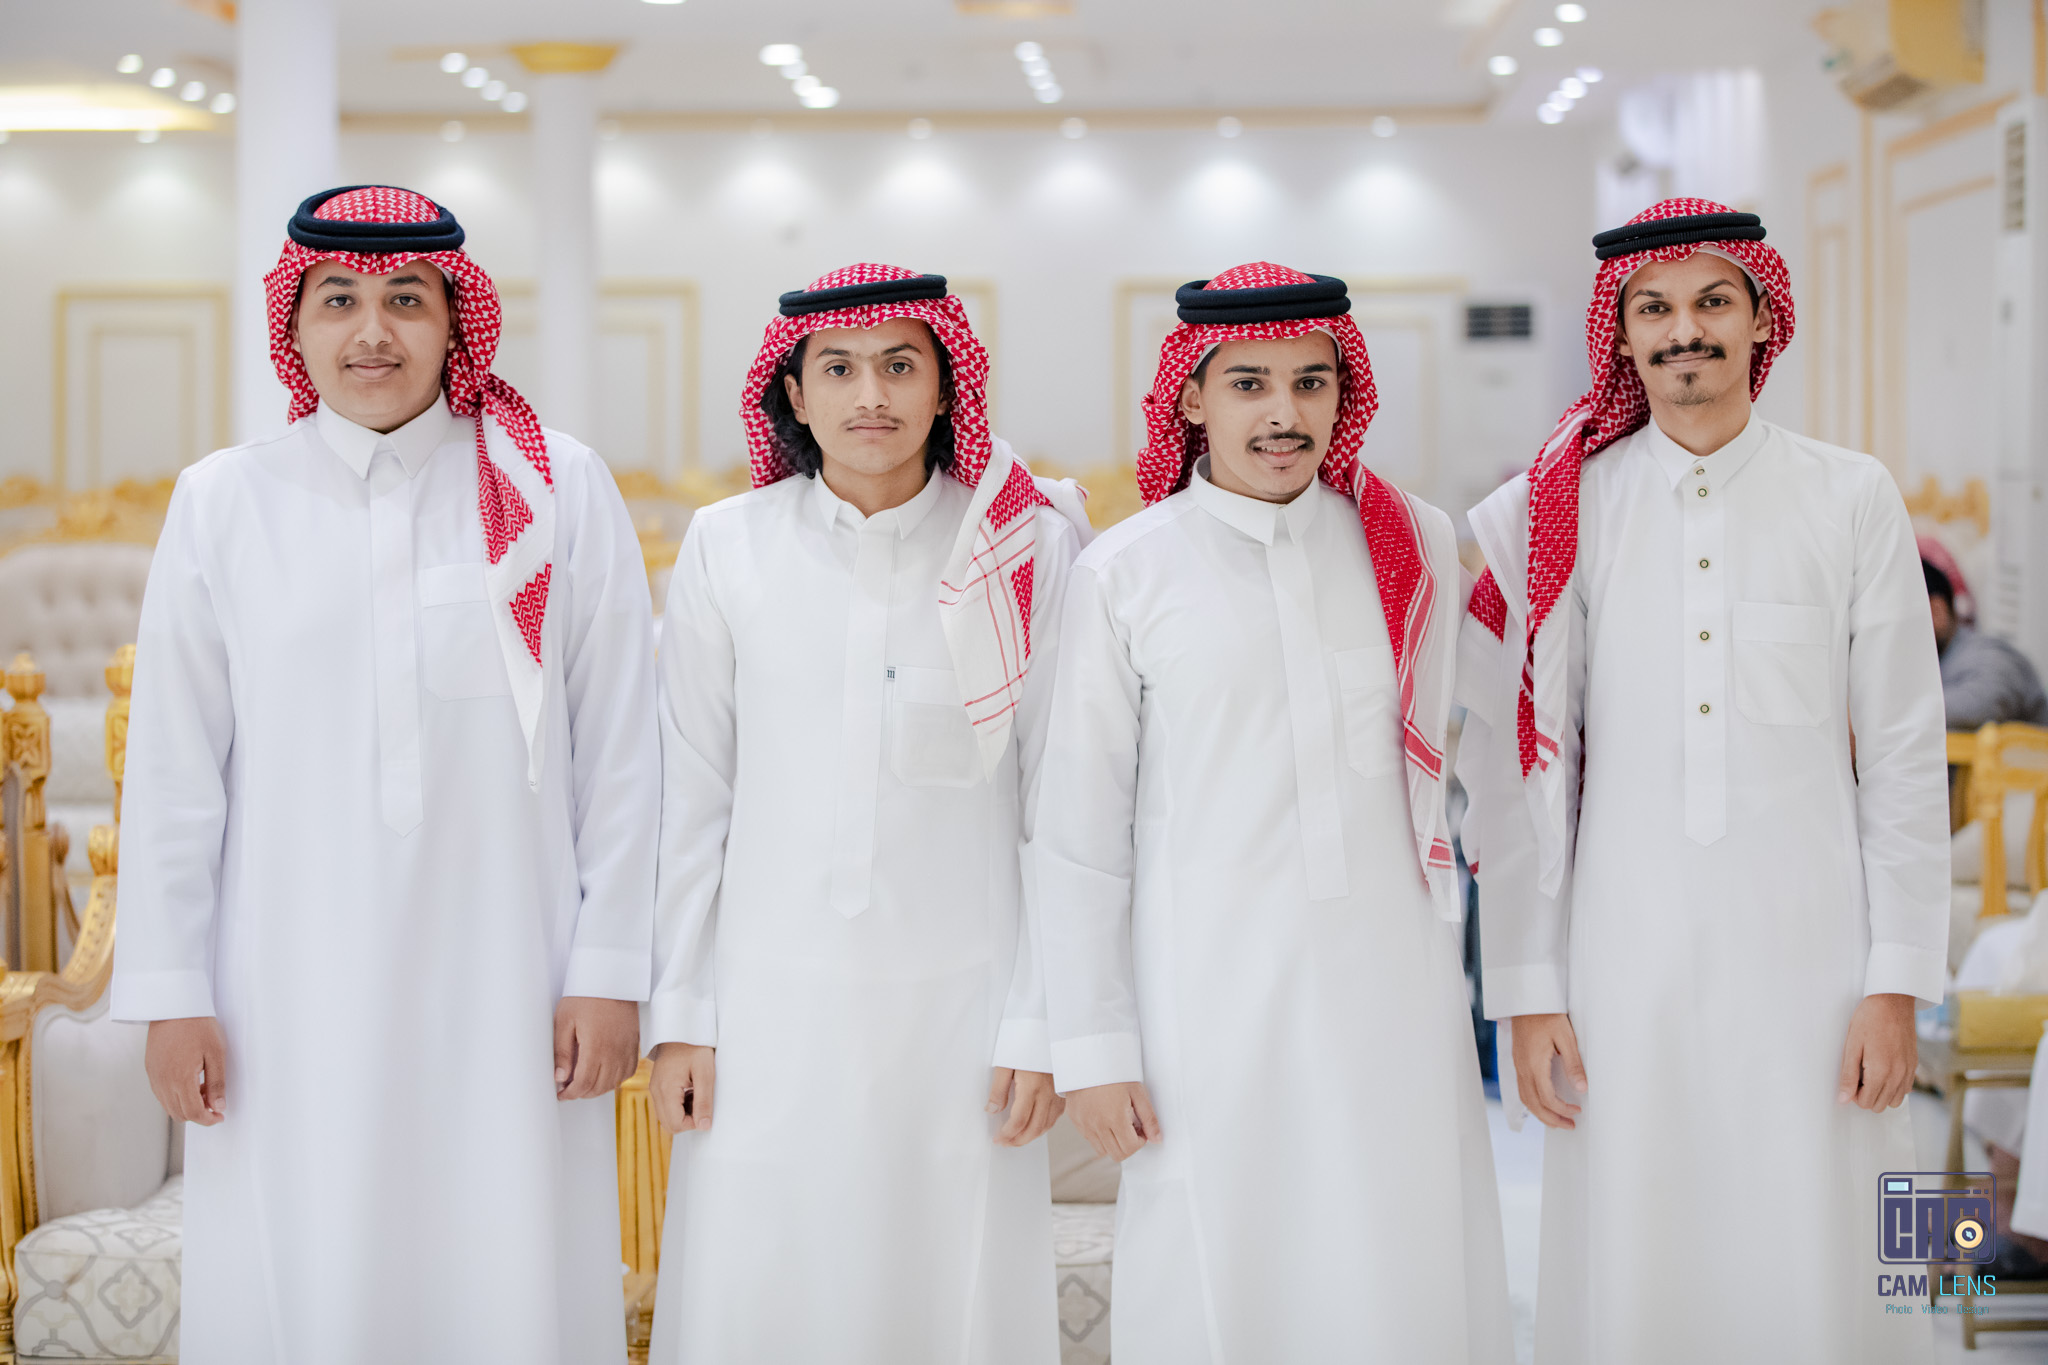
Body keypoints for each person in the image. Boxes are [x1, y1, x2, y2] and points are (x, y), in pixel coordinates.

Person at [108, 185, 656, 1364]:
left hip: (512, 973)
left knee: (506, 1268)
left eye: (406, 300)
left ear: (456, 322)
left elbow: (621, 748)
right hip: (281, 987)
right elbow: (172, 770)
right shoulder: (225, 500)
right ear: (292, 327)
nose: (372, 332)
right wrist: (169, 992)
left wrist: (611, 971)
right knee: (303, 1270)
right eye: (338, 300)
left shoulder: (555, 486)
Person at [1456, 199, 1945, 1363]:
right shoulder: (1557, 511)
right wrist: (1526, 988)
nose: (1684, 330)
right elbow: (1514, 773)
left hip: (1815, 954)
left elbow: (1902, 751)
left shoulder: (1850, 494)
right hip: (1622, 953)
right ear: (1619, 333)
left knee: (1833, 1227)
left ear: (1761, 319)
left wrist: (1895, 984)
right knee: (1637, 1238)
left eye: (1712, 302)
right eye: (1655, 309)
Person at [1035, 263, 1513, 1363]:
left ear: (1345, 395)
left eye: (1310, 382)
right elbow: (1076, 832)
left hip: (1391, 987)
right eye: (1247, 383)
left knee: (1398, 1262)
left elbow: (1475, 756)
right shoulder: (1124, 572)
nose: (1283, 413)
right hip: (1203, 999)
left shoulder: (1412, 545)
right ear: (1191, 397)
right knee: (1221, 1279)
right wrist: (1092, 1048)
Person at [645, 265, 1088, 1364]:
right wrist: (682, 1014)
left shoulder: (1023, 547)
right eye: (838, 370)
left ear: (945, 386)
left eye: (900, 365)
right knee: (763, 1281)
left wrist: (1039, 1023)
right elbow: (691, 794)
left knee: (947, 1291)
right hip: (764, 1006)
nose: (871, 395)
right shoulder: (726, 543)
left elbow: (1060, 804)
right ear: (794, 395)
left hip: (964, 1008)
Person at [1927, 558, 2048, 728]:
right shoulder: (1938, 661)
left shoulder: (1988, 656)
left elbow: (1980, 708)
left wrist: (1901, 707)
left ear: (1936, 611)